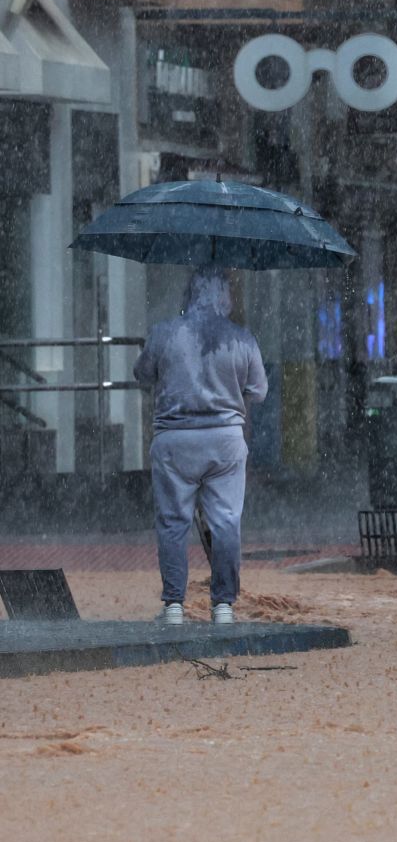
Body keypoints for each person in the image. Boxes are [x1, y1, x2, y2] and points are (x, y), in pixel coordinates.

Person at [133, 266, 267, 626]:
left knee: (173, 522)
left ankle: (174, 605)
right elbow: (259, 391)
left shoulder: (164, 333)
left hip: (174, 442)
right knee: (225, 521)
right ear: (224, 296)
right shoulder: (242, 338)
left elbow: (142, 373)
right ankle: (223, 605)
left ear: (189, 294)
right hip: (224, 441)